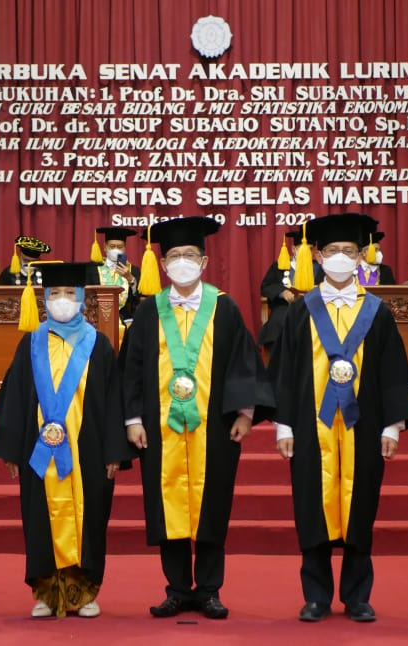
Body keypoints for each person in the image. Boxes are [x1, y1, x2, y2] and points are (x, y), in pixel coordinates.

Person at [267, 213, 408, 623]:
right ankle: (316, 594)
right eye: (332, 251)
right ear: (316, 255)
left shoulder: (377, 312)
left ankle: (357, 595)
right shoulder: (300, 312)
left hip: (364, 424)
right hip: (308, 424)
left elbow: (391, 371)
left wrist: (392, 425)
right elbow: (284, 371)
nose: (339, 258)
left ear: (361, 256)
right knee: (311, 506)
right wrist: (283, 423)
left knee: (361, 504)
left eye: (348, 251)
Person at [121, 216, 271, 620]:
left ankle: (208, 590)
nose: (182, 262)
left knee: (212, 504)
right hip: (158, 427)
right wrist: (132, 418)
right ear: (163, 264)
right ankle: (175, 589)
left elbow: (243, 363)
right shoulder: (149, 312)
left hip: (215, 427)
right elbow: (132, 369)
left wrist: (244, 413)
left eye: (190, 255)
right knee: (166, 505)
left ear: (204, 263)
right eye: (174, 255)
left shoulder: (223, 306)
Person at [0, 262, 132, 618]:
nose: (63, 300)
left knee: (91, 518)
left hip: (89, 450)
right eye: (55, 294)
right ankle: (46, 594)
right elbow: (15, 396)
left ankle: (83, 593)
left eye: (70, 293)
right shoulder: (31, 344)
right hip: (37, 451)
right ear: (44, 299)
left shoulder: (98, 345)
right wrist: (10, 448)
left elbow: (114, 398)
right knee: (40, 518)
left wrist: (115, 450)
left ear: (82, 298)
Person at [257, 229, 322, 351]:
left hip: (313, 309)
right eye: (302, 249)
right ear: (293, 250)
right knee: (278, 321)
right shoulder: (280, 266)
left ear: (314, 251)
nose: (306, 253)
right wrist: (282, 292)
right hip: (285, 308)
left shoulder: (320, 269)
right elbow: (266, 286)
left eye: (310, 249)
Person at [89, 226, 141, 321]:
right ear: (105, 247)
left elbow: (138, 300)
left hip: (125, 320)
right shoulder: (93, 270)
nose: (116, 250)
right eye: (112, 247)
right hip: (98, 319)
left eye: (120, 247)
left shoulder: (133, 271)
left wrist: (131, 280)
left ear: (125, 248)